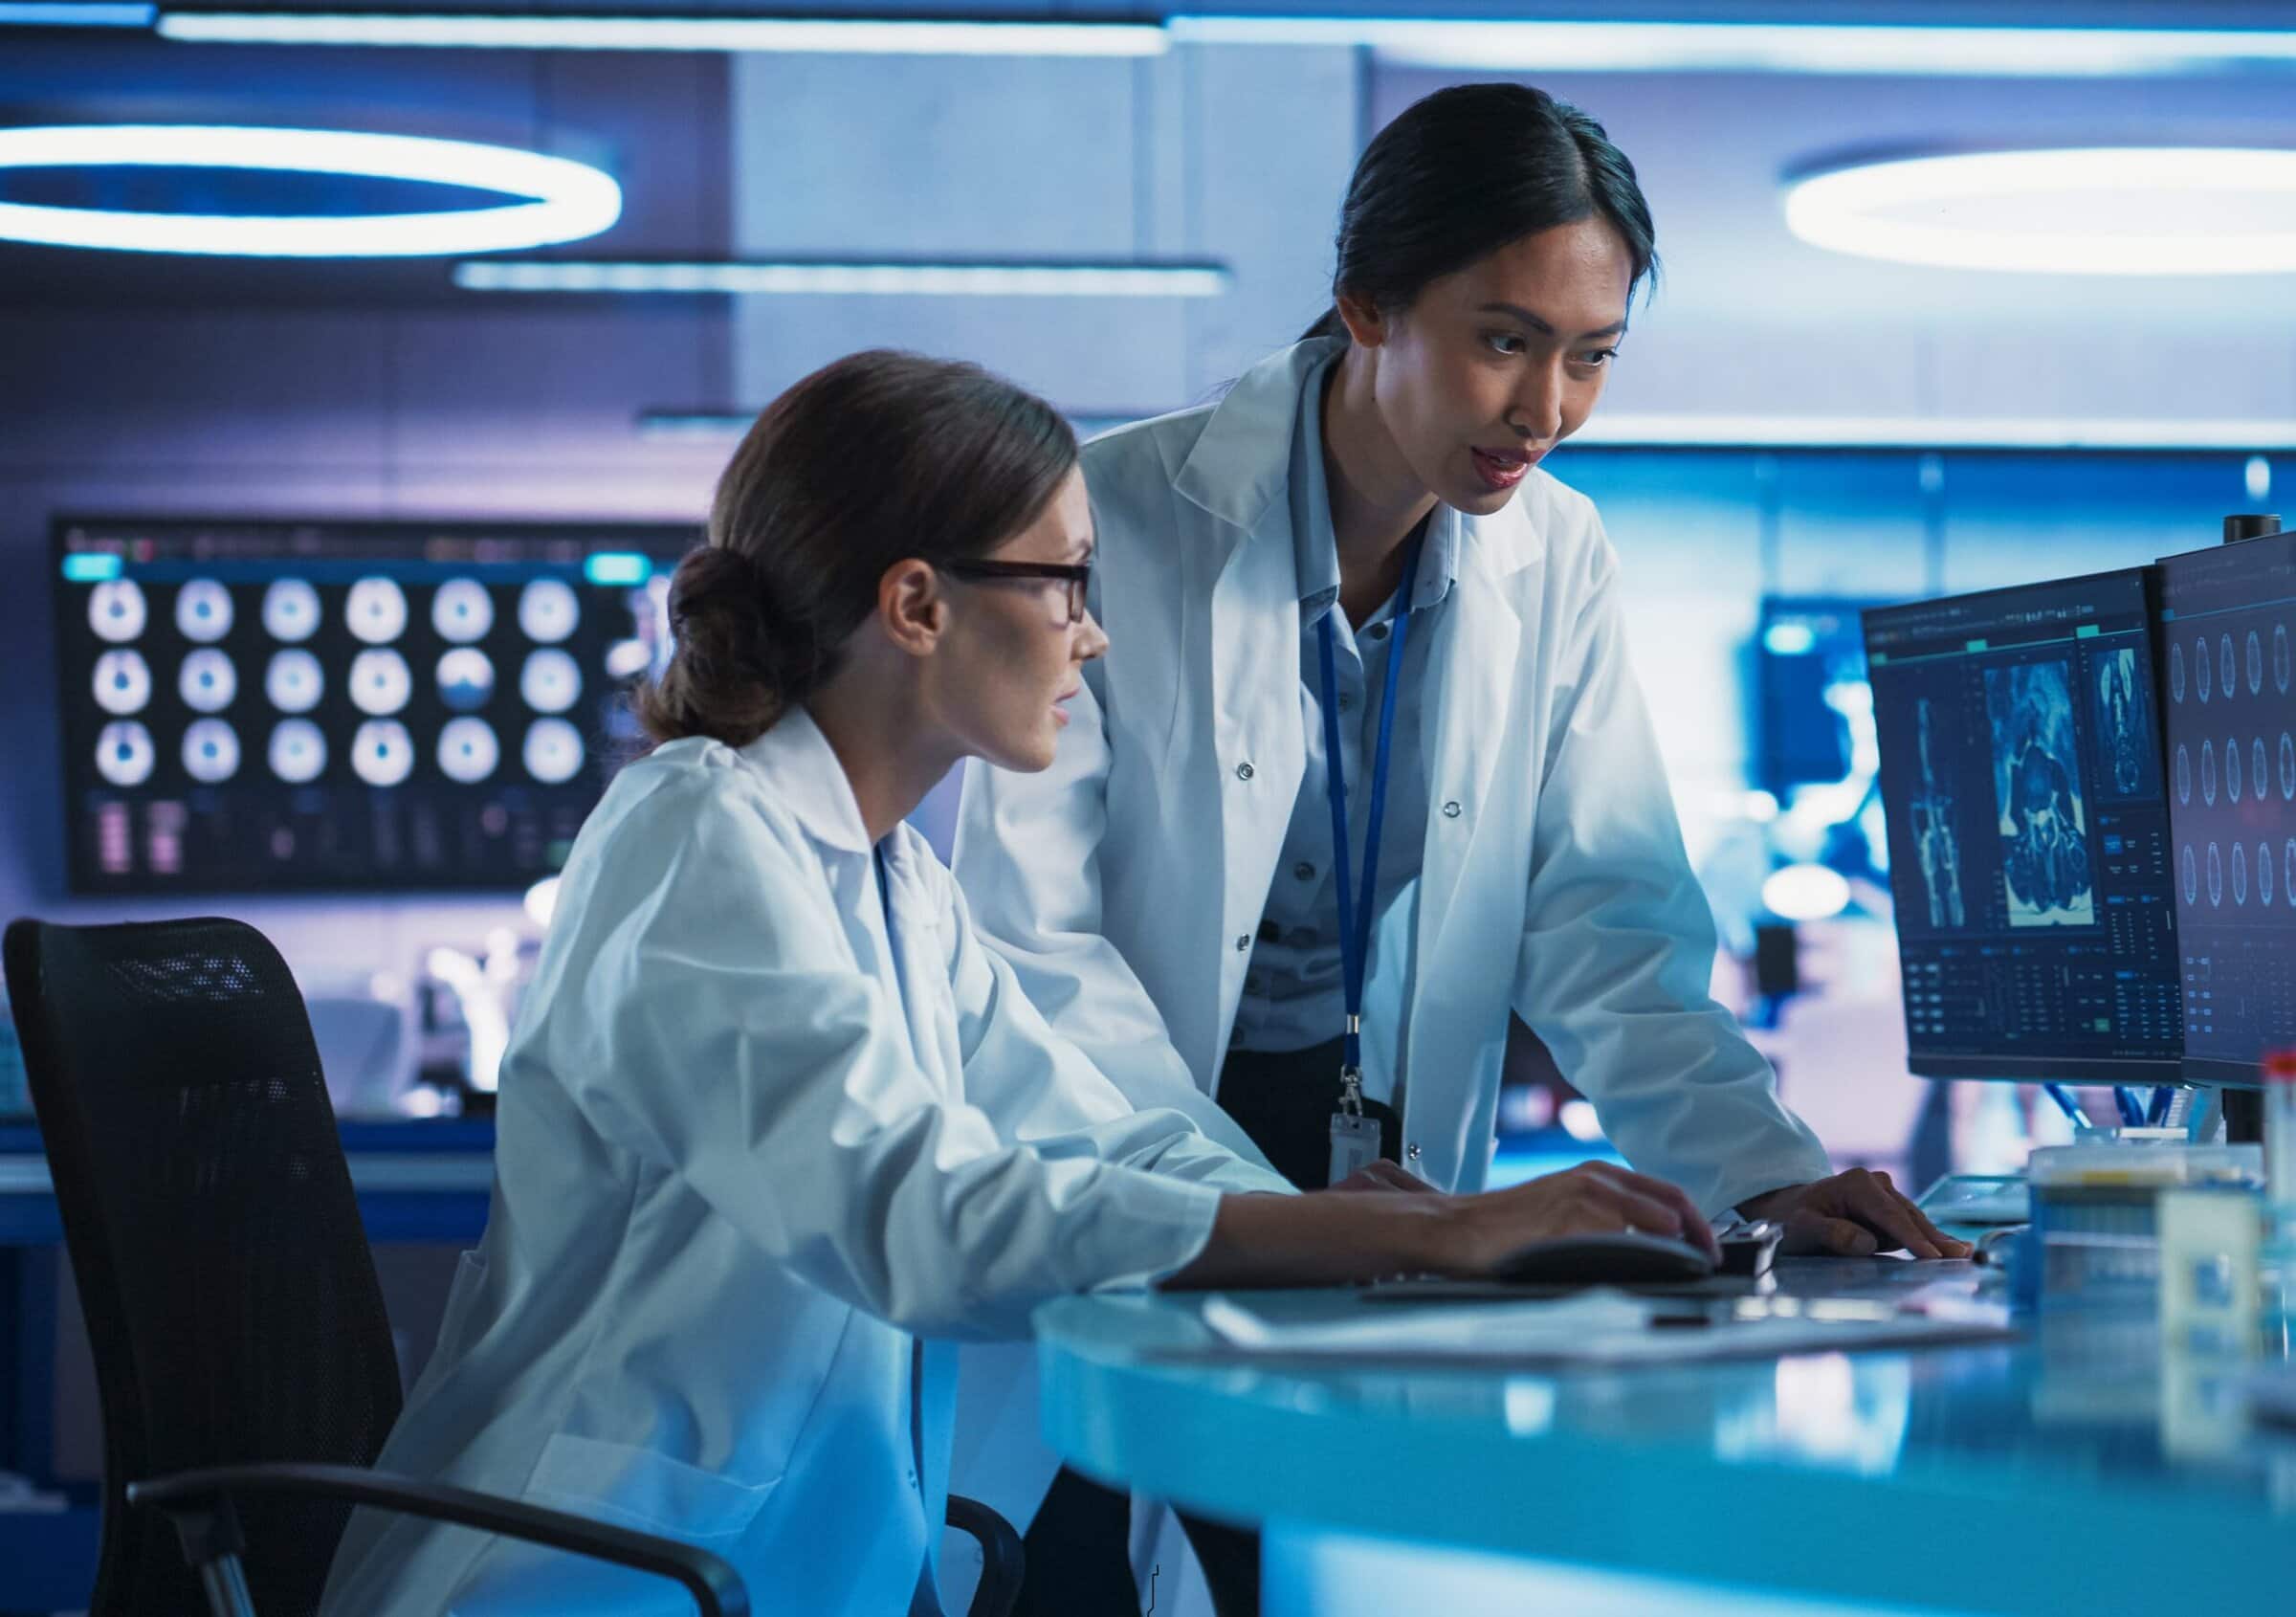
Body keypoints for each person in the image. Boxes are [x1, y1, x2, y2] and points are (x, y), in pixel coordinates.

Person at [319, 349, 1732, 1617]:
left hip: (760, 1572)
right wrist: (1429, 1244)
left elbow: (1096, 1126)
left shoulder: (895, 884)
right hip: (588, 1573)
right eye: (1064, 582)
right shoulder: (700, 831)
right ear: (919, 603)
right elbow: (923, 1218)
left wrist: (1366, 1223)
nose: (1094, 633)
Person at [951, 82, 1971, 1613]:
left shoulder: (1555, 554)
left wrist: (1766, 1174)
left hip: (1386, 1158)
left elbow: (1608, 924)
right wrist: (1290, 1220)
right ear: (1366, 304)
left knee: (1301, 1560)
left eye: (1592, 355)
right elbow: (1031, 955)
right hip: (1117, 1137)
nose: (1545, 409)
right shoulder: (1115, 518)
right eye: (1504, 339)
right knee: (1082, 1559)